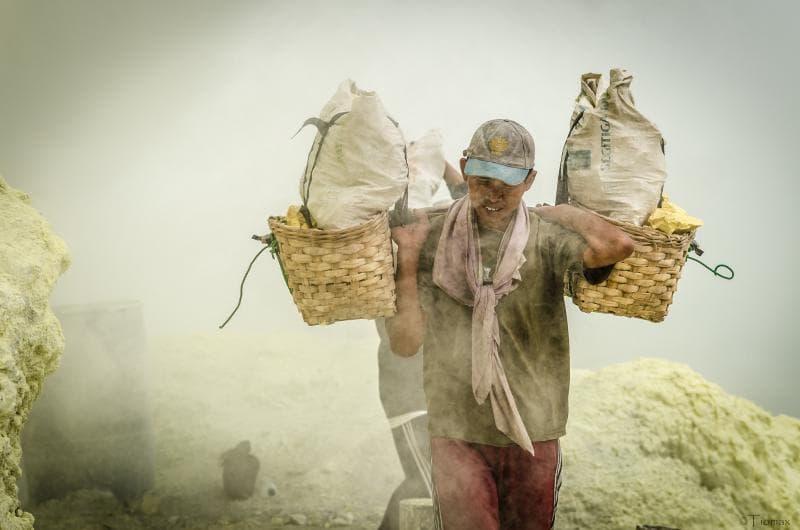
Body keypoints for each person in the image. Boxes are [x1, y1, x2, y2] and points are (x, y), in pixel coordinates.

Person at [386, 119, 634, 530]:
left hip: (533, 431)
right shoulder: (432, 238)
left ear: (530, 180)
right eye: (484, 180)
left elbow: (617, 246)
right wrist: (408, 258)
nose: (495, 194)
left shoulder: (548, 238)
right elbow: (405, 343)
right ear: (465, 170)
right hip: (456, 430)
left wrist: (568, 214)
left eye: (509, 183)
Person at [377, 148, 467, 530]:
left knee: (437, 485)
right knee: (426, 482)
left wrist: (435, 162)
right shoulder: (394, 263)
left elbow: (470, 207)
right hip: (411, 396)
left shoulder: (438, 248)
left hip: (442, 394)